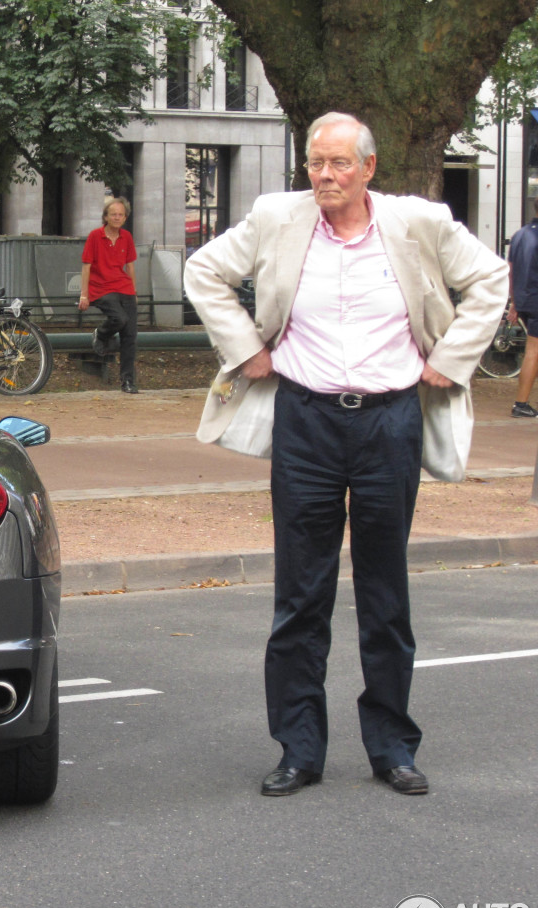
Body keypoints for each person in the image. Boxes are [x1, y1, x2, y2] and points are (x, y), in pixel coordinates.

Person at [183, 112, 508, 798]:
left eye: (337, 164)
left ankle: (392, 746)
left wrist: (450, 360)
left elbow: (490, 280)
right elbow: (205, 271)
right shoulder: (278, 217)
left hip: (391, 421)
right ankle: (299, 749)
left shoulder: (418, 223)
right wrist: (248, 349)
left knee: (385, 593)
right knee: (300, 595)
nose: (324, 176)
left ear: (368, 168)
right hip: (306, 420)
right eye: (315, 163)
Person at [79, 196, 139, 393]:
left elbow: (130, 266)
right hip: (102, 288)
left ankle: (128, 381)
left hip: (124, 287)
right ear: (105, 216)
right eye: (113, 214)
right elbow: (86, 266)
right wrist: (84, 295)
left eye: (121, 215)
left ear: (125, 218)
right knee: (119, 318)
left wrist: (134, 291)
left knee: (130, 335)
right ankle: (101, 333)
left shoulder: (127, 237)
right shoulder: (95, 236)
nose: (117, 217)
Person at [505, 198, 538, 418]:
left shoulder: (520, 235)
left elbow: (510, 269)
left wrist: (514, 302)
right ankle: (521, 403)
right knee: (533, 352)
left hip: (525, 300)